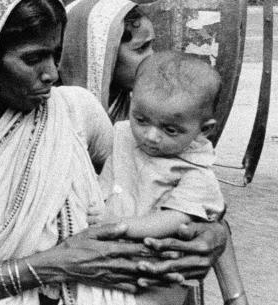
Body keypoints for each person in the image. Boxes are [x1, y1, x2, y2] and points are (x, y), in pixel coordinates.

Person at [0, 0, 229, 305]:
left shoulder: (73, 109)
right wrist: (53, 265)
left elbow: (157, 180)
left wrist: (214, 232)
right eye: (32, 59)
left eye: (54, 55)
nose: (52, 73)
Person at [96, 52, 226, 305]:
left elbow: (175, 219)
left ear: (205, 128)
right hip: (106, 255)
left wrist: (117, 227)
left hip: (155, 268)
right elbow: (107, 178)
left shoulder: (197, 173)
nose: (151, 136)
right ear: (132, 103)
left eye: (170, 130)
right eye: (141, 120)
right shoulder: (122, 135)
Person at [59, 0, 155, 122]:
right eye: (141, 48)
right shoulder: (58, 117)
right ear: (102, 54)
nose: (153, 57)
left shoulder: (147, 110)